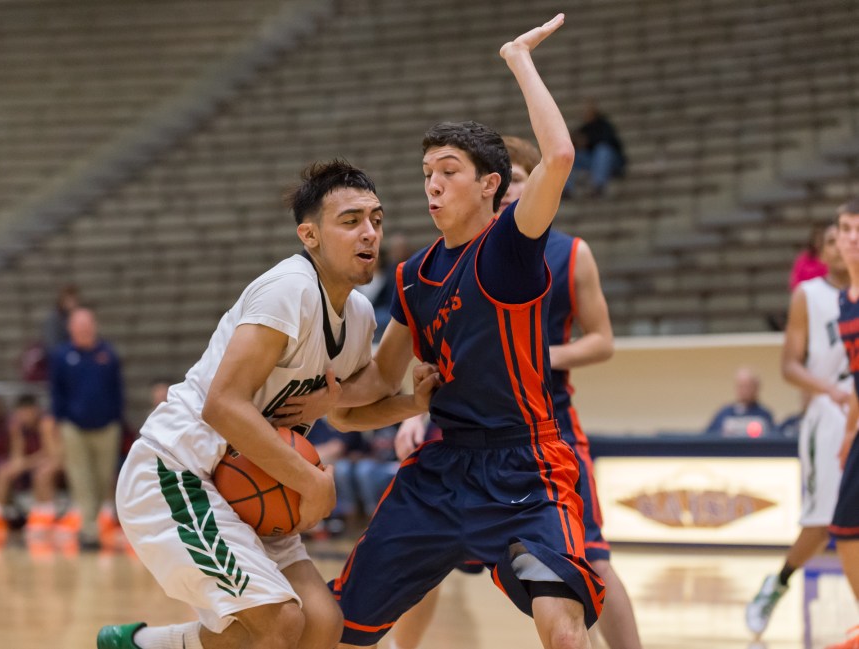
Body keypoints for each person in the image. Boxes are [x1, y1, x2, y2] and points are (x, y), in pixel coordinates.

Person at [284, 14, 603, 649]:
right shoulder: (412, 274)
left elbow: (560, 156)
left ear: (490, 186)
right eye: (428, 169)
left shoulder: (509, 248)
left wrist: (518, 58)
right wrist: (324, 394)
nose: (433, 182)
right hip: (443, 463)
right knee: (341, 627)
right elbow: (377, 373)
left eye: (449, 169)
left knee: (560, 622)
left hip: (525, 463)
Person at [96, 160, 407, 649]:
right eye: (350, 221)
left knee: (323, 624)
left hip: (249, 483)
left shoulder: (361, 315)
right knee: (281, 624)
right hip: (180, 471)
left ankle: (145, 645)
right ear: (310, 235)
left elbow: (350, 405)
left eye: (376, 219)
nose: (369, 233)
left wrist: (413, 402)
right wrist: (311, 482)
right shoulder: (289, 290)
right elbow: (222, 406)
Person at [388, 134, 640, 649]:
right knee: (429, 562)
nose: (507, 199)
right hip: (468, 430)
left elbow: (602, 341)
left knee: (590, 558)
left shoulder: (571, 253)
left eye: (520, 183)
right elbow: (431, 343)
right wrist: (412, 415)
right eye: (502, 190)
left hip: (549, 425)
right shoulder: (451, 260)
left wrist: (540, 355)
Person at [746, 223, 851, 637]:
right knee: (824, 523)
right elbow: (789, 365)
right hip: (829, 412)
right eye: (830, 240)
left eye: (846, 236)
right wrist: (828, 389)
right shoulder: (809, 296)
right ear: (820, 254)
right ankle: (779, 583)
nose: (841, 245)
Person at [49, 307, 124, 548]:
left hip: (106, 427)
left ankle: (95, 520)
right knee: (81, 478)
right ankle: (89, 531)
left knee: (102, 478)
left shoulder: (108, 355)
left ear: (94, 325)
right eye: (78, 324)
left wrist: (116, 419)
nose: (83, 329)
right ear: (71, 328)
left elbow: (117, 391)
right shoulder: (62, 356)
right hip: (74, 428)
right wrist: (60, 420)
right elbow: (56, 392)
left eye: (87, 324)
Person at [0, 395, 63, 540]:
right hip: (32, 462)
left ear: (35, 410)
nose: (23, 416)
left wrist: (24, 463)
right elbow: (17, 454)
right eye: (20, 413)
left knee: (42, 472)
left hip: (55, 462)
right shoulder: (17, 427)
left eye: (26, 412)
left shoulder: (46, 424)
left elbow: (51, 454)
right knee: (3, 471)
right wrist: (18, 464)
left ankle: (46, 515)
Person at [828, 199, 859, 649]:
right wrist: (850, 431)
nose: (851, 236)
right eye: (845, 228)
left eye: (858, 228)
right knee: (845, 528)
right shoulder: (842, 300)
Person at [565, 99, 625, 198]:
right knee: (568, 155)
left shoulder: (604, 125)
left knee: (602, 151)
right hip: (591, 161)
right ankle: (566, 189)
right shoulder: (583, 128)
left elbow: (607, 141)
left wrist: (588, 141)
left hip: (611, 161)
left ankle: (598, 186)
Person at [703, 366, 776, 437]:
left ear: (756, 388)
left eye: (748, 386)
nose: (744, 391)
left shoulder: (764, 414)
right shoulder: (725, 413)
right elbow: (708, 437)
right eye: (741, 386)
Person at [790, 225, 830, 292]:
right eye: (817, 239)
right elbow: (795, 282)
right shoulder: (804, 258)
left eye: (821, 239)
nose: (819, 242)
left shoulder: (832, 257)